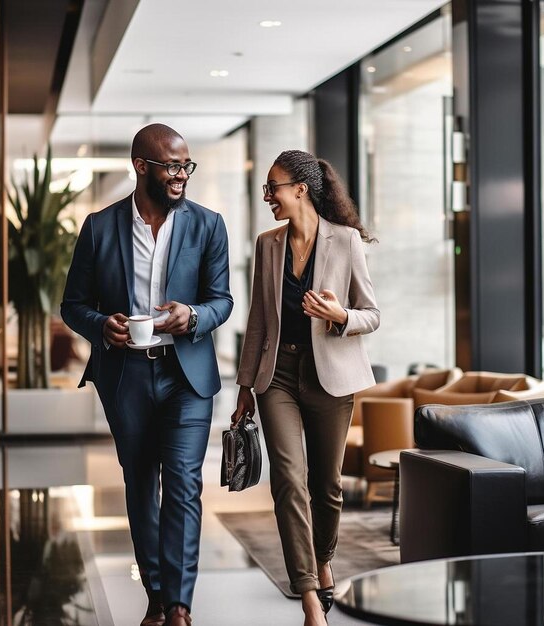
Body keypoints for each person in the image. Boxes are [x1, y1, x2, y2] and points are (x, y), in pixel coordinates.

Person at [61, 123, 233, 626]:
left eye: (186, 165)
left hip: (187, 378)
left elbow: (221, 300)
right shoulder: (99, 226)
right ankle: (156, 595)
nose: (182, 174)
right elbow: (73, 306)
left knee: (182, 482)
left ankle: (179, 605)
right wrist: (102, 326)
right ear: (142, 166)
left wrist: (194, 316)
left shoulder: (208, 225)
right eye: (172, 165)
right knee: (140, 483)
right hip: (126, 376)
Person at [233, 150, 380, 626]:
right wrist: (242, 388)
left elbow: (372, 314)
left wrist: (340, 317)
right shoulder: (267, 243)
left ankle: (323, 557)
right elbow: (257, 321)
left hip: (331, 377)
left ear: (301, 188)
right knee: (289, 479)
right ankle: (309, 594)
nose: (268, 196)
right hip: (276, 376)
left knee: (327, 486)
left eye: (273, 186)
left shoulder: (347, 241)